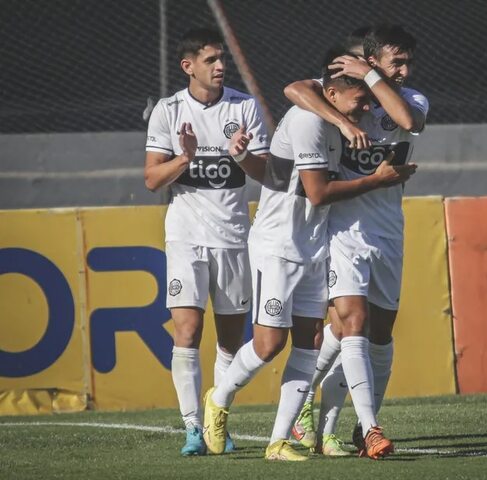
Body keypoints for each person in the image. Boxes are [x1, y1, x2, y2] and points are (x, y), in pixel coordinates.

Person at [202, 48, 416, 461]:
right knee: (268, 344)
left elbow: (278, 174)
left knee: (309, 342)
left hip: (315, 243)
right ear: (332, 94)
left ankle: (278, 441)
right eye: (360, 101)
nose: (367, 108)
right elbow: (316, 193)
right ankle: (220, 397)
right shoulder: (309, 121)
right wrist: (378, 180)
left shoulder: (337, 119)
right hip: (279, 244)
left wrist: (246, 158)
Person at [285, 24, 429, 458]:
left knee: (378, 335)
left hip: (388, 232)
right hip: (342, 232)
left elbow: (408, 122)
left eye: (406, 62)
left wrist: (372, 77)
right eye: (395, 62)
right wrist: (342, 120)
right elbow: (295, 88)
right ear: (372, 59)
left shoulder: (412, 99)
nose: (403, 70)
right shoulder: (344, 93)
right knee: (353, 322)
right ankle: (371, 429)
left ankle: (304, 398)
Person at [144, 27, 270, 456]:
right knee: (188, 328)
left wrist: (240, 155)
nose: (220, 67)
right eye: (212, 60)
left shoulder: (244, 106)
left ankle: (219, 417)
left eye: (222, 60)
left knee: (231, 340)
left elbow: (265, 173)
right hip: (185, 237)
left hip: (234, 236)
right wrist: (185, 158)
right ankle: (193, 428)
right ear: (189, 66)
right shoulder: (168, 110)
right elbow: (150, 179)